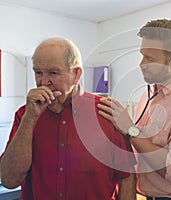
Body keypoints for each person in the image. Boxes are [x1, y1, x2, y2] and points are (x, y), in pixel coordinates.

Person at [0, 37, 136, 200]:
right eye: (38, 72)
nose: (43, 82)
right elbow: (9, 180)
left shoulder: (107, 113)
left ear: (76, 74)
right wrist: (29, 119)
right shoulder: (24, 115)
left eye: (53, 73)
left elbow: (126, 177)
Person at [97, 18, 171, 200]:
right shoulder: (150, 94)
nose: (141, 64)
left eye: (150, 58)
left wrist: (130, 130)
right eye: (142, 55)